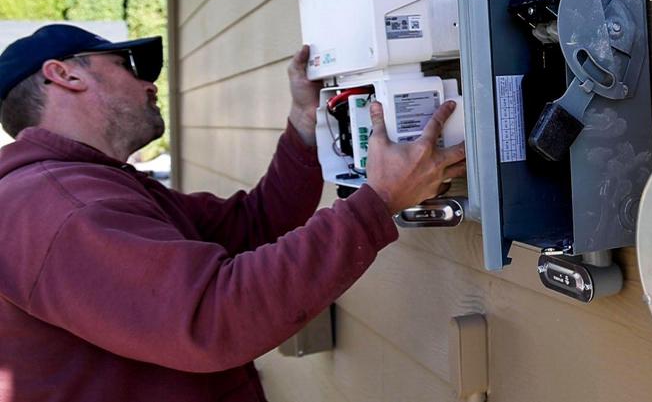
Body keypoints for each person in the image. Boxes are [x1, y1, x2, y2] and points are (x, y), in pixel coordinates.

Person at [0, 24, 465, 402]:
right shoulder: (60, 206)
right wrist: (378, 202)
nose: (150, 83)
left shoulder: (92, 185)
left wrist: (307, 123)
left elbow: (252, 227)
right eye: (127, 65)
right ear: (65, 75)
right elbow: (213, 319)